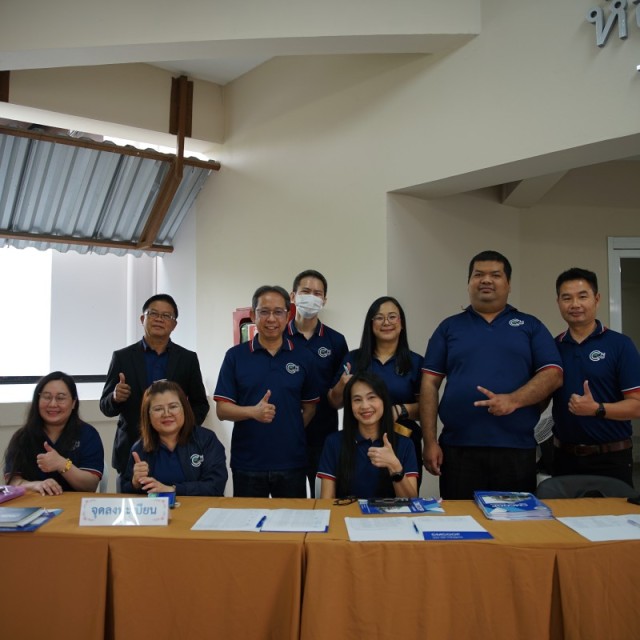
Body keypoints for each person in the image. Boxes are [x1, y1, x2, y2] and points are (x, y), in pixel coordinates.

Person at [421, 250, 563, 499]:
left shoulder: (530, 326)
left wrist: (513, 400)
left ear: (508, 284)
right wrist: (430, 442)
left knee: (514, 520)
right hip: (458, 448)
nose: (486, 280)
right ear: (469, 283)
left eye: (495, 275)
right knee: (461, 520)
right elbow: (429, 384)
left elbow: (553, 375)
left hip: (516, 449)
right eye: (478, 275)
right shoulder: (449, 327)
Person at [214, 285, 320, 498]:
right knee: (249, 519)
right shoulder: (235, 356)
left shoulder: (304, 357)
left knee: (292, 518)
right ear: (253, 315)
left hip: (292, 462)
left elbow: (310, 407)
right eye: (264, 311)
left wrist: (289, 429)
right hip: (248, 463)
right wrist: (252, 412)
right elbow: (222, 410)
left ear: (288, 316)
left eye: (278, 312)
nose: (271, 318)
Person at [100, 294, 209, 485]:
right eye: (153, 314)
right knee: (131, 502)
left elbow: (200, 404)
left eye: (166, 316)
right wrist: (115, 397)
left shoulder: (187, 359)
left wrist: (181, 430)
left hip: (177, 452)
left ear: (174, 324)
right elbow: (105, 406)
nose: (159, 319)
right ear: (142, 319)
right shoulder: (122, 357)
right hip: (131, 451)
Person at [551, 267, 640, 486]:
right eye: (567, 298)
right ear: (558, 302)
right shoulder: (552, 347)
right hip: (563, 458)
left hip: (611, 459)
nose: (575, 304)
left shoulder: (620, 345)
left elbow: (637, 406)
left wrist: (597, 409)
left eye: (582, 296)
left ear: (597, 299)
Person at [328, 296, 423, 485]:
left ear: (402, 323)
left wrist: (400, 410)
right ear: (370, 324)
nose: (386, 322)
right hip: (359, 443)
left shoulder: (416, 362)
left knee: (403, 497)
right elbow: (333, 402)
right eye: (379, 317)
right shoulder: (353, 359)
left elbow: (427, 408)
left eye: (392, 317)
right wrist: (341, 385)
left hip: (402, 441)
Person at [287, 269, 348, 496]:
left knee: (323, 500)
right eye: (305, 292)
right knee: (289, 502)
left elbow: (339, 394)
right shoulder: (278, 337)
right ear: (293, 296)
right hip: (286, 436)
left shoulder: (336, 341)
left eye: (317, 293)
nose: (311, 298)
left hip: (324, 436)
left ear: (324, 300)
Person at [318, 372, 419, 499]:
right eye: (357, 400)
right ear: (350, 405)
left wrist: (395, 466)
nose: (365, 406)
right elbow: (327, 501)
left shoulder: (405, 444)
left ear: (384, 401)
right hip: (346, 511)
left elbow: (411, 502)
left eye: (371, 397)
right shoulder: (333, 443)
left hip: (390, 512)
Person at [4, 371, 104, 495]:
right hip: (33, 504)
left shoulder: (88, 435)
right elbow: (12, 481)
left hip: (74, 504)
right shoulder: (23, 437)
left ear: (73, 403)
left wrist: (62, 464)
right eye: (46, 397)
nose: (52, 404)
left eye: (60, 398)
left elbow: (90, 486)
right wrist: (35, 485)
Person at [121, 380, 227, 496]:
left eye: (173, 406)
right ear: (148, 415)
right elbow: (125, 490)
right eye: (158, 409)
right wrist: (135, 484)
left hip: (201, 507)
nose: (166, 414)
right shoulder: (140, 448)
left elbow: (216, 486)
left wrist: (173, 489)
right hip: (157, 508)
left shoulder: (206, 440)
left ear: (184, 409)